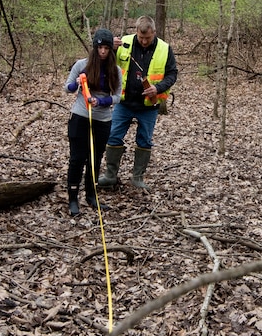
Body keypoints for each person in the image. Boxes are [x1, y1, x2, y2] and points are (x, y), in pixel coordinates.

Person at [98, 15, 178, 190]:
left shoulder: (164, 49)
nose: (143, 41)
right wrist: (111, 48)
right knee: (113, 136)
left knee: (144, 140)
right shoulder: (123, 43)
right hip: (124, 102)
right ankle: (110, 175)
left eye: (147, 38)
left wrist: (157, 88)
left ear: (154, 32)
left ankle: (137, 177)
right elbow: (103, 62)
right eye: (141, 38)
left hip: (149, 105)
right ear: (135, 32)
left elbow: (172, 74)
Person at [63, 28, 121, 215]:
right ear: (94, 48)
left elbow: (118, 96)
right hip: (80, 116)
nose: (103, 51)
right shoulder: (82, 65)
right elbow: (67, 88)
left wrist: (102, 101)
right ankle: (72, 197)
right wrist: (77, 84)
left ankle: (91, 195)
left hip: (103, 120)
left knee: (95, 159)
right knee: (77, 158)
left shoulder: (116, 70)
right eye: (100, 48)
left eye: (106, 48)